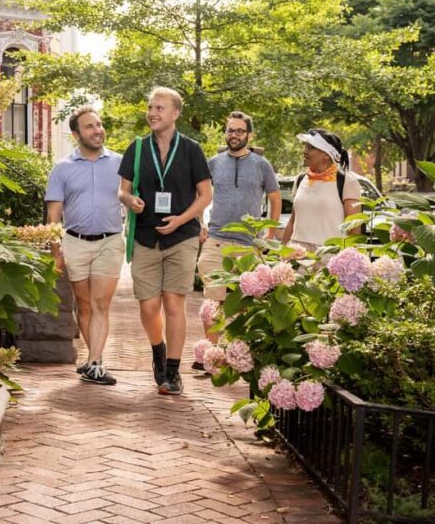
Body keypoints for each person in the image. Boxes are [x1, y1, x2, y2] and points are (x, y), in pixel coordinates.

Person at [118, 87, 212, 395]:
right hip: (145, 237)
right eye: (150, 107)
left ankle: (173, 371)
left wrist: (182, 220)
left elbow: (206, 195)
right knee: (148, 306)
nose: (153, 113)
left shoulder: (191, 149)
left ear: (175, 113)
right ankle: (158, 349)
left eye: (159, 108)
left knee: (174, 302)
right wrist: (130, 200)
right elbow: (123, 190)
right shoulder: (136, 147)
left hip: (182, 236)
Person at [46, 106, 124, 385]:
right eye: (90, 126)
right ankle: (92, 359)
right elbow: (53, 215)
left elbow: (134, 195)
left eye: (100, 124)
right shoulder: (62, 168)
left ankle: (95, 362)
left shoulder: (120, 163)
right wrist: (56, 252)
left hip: (110, 241)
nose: (97, 130)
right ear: (76, 133)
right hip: (75, 242)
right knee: (85, 305)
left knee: (101, 303)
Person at [198, 111, 281, 342]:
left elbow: (275, 198)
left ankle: (236, 352)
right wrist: (200, 223)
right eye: (230, 130)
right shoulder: (213, 163)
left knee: (244, 303)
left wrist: (270, 234)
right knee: (213, 300)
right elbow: (199, 194)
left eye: (239, 131)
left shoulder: (262, 165)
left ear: (249, 135)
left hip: (248, 245)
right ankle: (212, 355)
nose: (234, 135)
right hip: (216, 240)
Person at [281, 128, 361, 250]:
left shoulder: (346, 182)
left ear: (327, 155)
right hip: (297, 255)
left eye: (311, 148)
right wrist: (282, 252)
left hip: (329, 257)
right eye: (305, 146)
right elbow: (292, 221)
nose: (304, 151)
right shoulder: (300, 179)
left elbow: (354, 229)